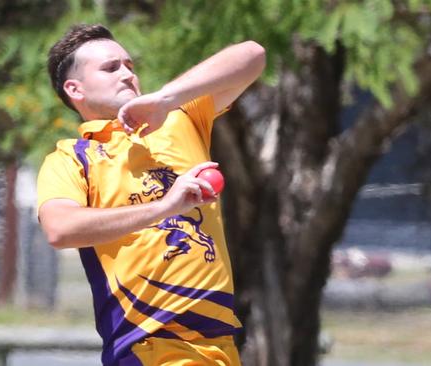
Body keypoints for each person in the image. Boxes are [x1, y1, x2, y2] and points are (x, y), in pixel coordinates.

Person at [37, 23, 265, 365]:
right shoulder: (71, 159)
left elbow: (252, 56)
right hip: (150, 347)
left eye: (129, 65)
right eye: (110, 68)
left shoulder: (177, 119)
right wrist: (164, 207)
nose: (127, 74)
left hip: (219, 347)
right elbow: (60, 228)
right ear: (75, 89)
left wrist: (165, 98)